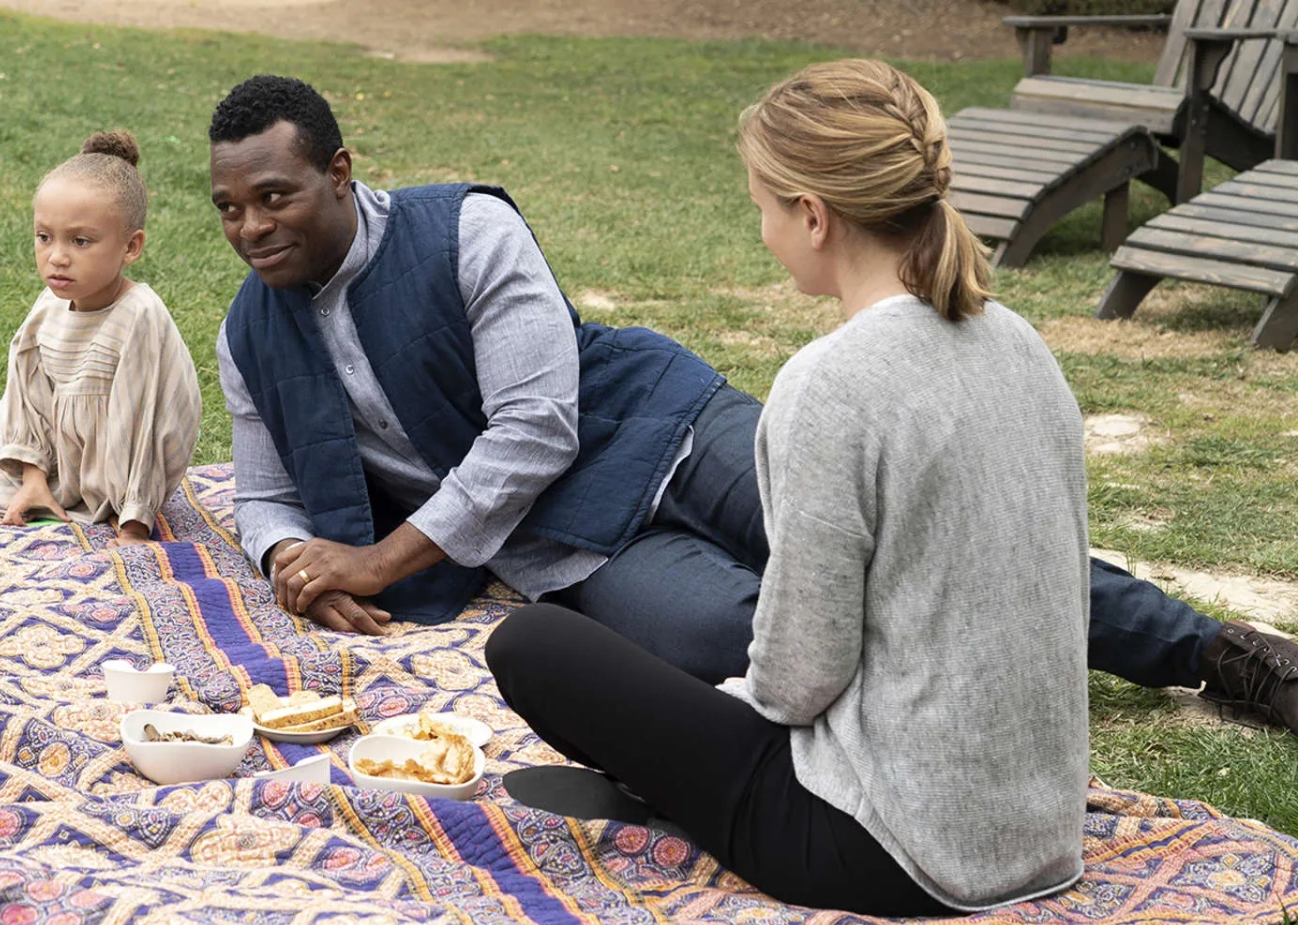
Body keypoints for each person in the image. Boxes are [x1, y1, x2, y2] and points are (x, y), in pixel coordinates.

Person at [205, 73, 1298, 734]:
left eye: (276, 196)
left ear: (341, 173)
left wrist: (379, 558)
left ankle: (1215, 655)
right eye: (228, 209)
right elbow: (263, 494)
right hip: (565, 547)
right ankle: (949, 694)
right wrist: (290, 561)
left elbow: (538, 426)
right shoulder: (247, 332)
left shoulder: (466, 230)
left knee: (931, 544)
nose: (253, 227)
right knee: (731, 641)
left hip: (664, 430)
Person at [489, 58, 1086, 915]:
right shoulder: (1022, 342)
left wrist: (709, 720)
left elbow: (799, 678)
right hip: (1039, 834)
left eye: (761, 207)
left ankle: (683, 802)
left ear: (813, 215)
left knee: (533, 645)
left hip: (884, 850)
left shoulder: (831, 382)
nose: (760, 228)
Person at [0, 132, 202, 545]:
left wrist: (134, 525)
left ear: (131, 246)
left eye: (80, 241)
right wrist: (32, 476)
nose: (57, 256)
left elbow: (146, 428)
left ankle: (15, 473)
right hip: (49, 439)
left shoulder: (139, 317)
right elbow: (30, 393)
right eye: (44, 237)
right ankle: (16, 468)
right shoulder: (53, 300)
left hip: (93, 472)